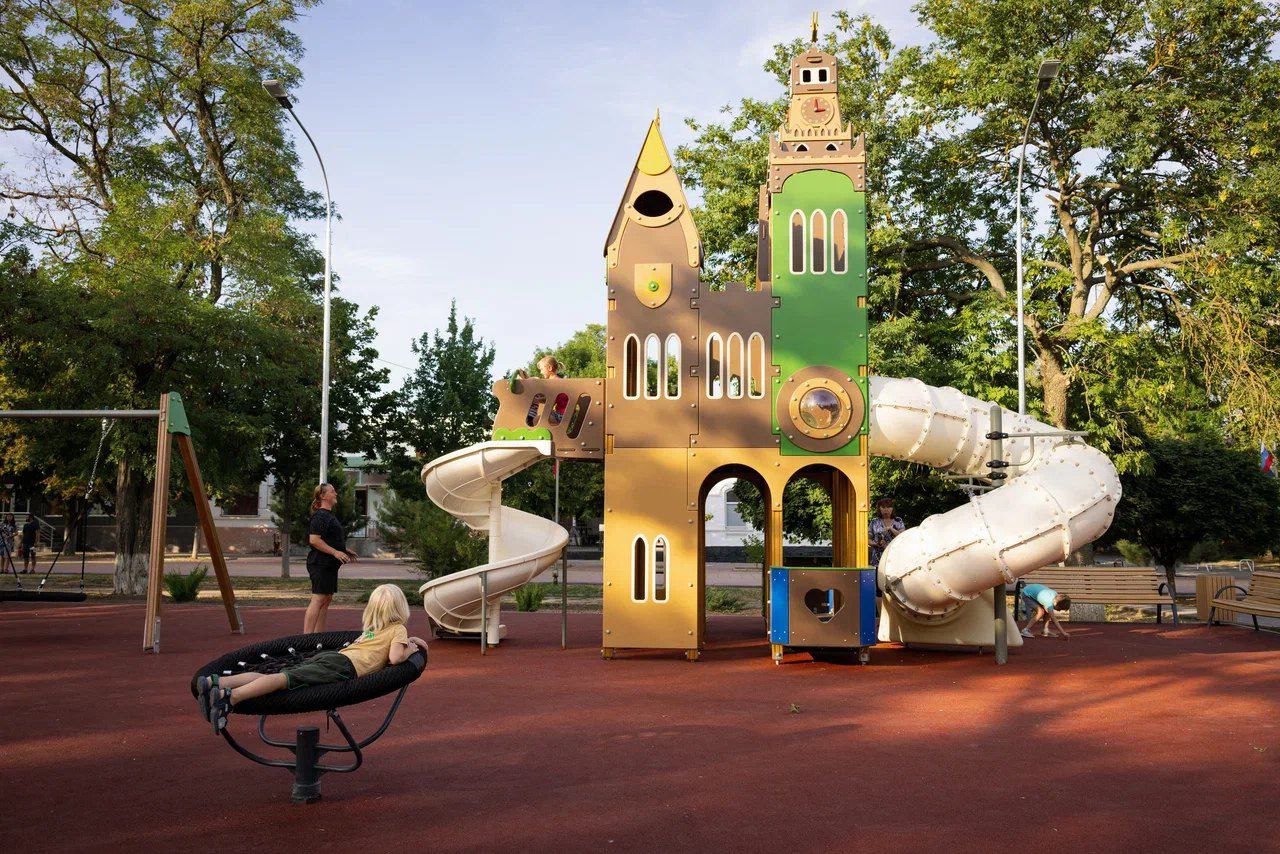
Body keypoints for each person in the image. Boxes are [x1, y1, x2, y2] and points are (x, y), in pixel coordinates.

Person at [199, 584, 428, 733]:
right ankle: (230, 697)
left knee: (277, 675)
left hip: (335, 657)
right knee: (283, 679)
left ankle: (215, 682)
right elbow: (395, 658)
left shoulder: (372, 629)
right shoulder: (398, 629)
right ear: (401, 607)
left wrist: (404, 643)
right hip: (343, 667)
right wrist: (411, 648)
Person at [304, 483, 357, 634]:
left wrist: (343, 550)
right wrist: (335, 552)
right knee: (318, 599)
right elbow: (314, 540)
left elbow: (328, 539)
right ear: (323, 496)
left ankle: (318, 637)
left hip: (329, 566)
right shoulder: (320, 515)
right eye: (332, 491)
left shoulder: (328, 515)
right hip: (320, 564)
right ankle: (306, 639)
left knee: (326, 600)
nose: (336, 494)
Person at [868, 497, 905, 569]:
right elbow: (867, 539)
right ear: (879, 509)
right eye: (883, 507)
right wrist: (876, 544)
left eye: (888, 507)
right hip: (878, 559)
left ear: (892, 509)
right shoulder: (874, 522)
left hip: (895, 557)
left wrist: (891, 529)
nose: (886, 509)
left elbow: (903, 536)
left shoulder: (898, 521)